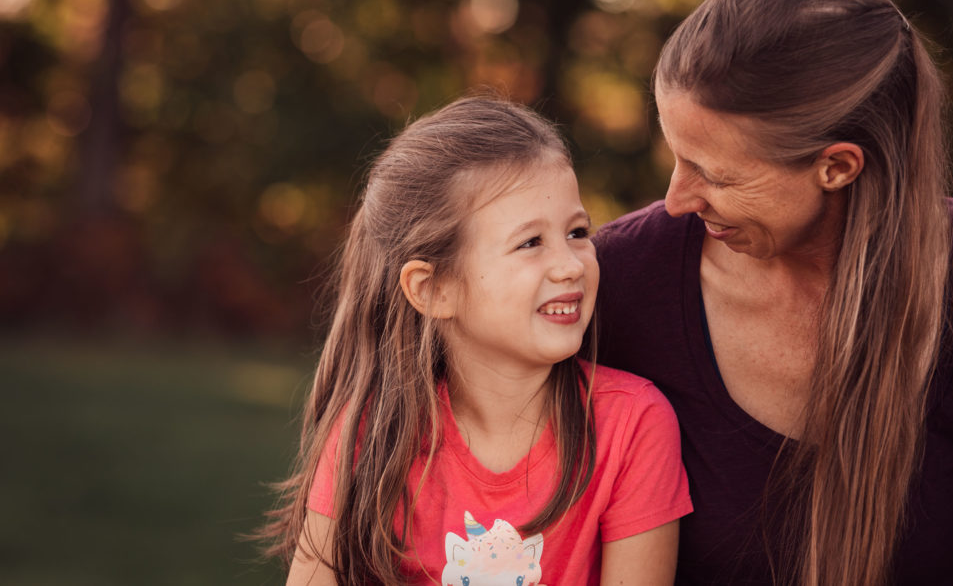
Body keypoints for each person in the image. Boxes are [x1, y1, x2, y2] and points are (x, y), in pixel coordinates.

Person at [594, 0, 953, 586]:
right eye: (678, 157)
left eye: (714, 173)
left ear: (838, 167)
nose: (678, 199)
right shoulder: (616, 282)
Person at [261, 97, 692, 585]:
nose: (571, 264)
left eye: (576, 232)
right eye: (531, 242)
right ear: (434, 289)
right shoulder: (372, 436)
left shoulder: (633, 426)